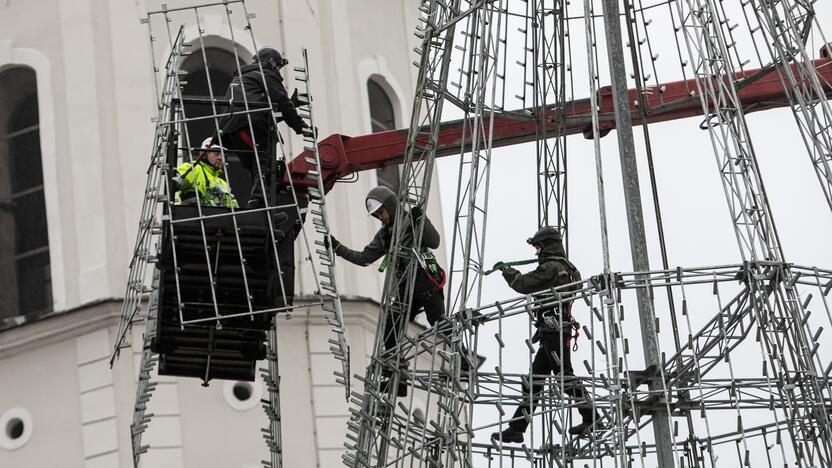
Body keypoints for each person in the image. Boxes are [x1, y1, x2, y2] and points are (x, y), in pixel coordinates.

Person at [327, 186, 469, 395]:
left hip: (425, 281)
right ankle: (397, 380)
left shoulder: (411, 221)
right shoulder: (385, 235)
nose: (380, 218)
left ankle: (464, 363)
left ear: (391, 206)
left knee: (439, 323)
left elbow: (434, 241)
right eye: (376, 215)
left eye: (381, 213)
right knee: (390, 331)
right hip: (404, 287)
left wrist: (421, 219)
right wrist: (338, 248)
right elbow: (365, 258)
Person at [490, 227, 600, 443]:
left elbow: (523, 284)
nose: (536, 252)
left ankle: (592, 416)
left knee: (564, 376)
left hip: (554, 330)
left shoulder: (551, 268)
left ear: (547, 245)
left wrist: (507, 270)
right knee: (535, 380)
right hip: (555, 330)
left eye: (538, 247)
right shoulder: (569, 269)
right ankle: (517, 428)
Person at [214, 47, 307, 208]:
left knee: (255, 167)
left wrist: (293, 103)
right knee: (264, 163)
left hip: (232, 130)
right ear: (270, 62)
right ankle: (259, 204)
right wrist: (302, 127)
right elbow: (281, 102)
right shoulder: (266, 74)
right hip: (249, 124)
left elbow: (266, 111)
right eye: (278, 66)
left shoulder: (243, 77)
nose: (278, 71)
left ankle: (262, 205)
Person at [174, 137, 238, 208]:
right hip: (193, 217)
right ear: (203, 154)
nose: (220, 158)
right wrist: (178, 181)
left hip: (219, 218)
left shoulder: (223, 184)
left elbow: (235, 210)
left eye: (223, 155)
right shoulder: (193, 168)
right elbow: (174, 182)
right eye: (216, 154)